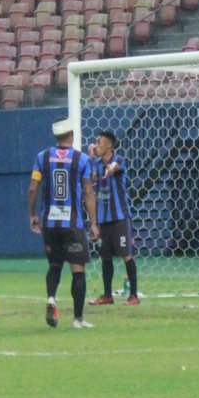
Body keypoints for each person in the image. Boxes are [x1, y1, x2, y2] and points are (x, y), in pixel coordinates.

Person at [27, 118, 100, 329]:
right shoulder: (82, 159)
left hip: (50, 224)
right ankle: (78, 319)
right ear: (72, 135)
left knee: (55, 265)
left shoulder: (42, 157)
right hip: (73, 224)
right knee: (78, 269)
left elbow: (33, 188)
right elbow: (88, 192)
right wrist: (94, 222)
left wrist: (32, 214)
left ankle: (51, 297)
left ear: (55, 137)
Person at [86, 130, 140, 306]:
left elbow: (115, 166)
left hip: (120, 218)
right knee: (105, 257)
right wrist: (90, 157)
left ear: (109, 145)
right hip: (103, 219)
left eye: (100, 142)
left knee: (126, 256)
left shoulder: (120, 159)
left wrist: (110, 169)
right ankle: (107, 295)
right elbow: (89, 177)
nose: (97, 145)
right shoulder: (96, 164)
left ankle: (133, 295)